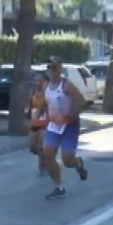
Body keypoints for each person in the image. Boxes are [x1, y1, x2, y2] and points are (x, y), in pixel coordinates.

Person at [39, 56, 89, 199]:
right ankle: (58, 187)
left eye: (54, 67)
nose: (51, 70)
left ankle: (77, 163)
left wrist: (69, 116)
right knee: (48, 155)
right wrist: (40, 120)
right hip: (54, 126)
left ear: (60, 69)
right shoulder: (46, 86)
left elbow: (81, 101)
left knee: (67, 160)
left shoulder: (66, 85)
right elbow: (44, 105)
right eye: (48, 67)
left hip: (69, 125)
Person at [29, 71, 48, 174]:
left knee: (41, 145)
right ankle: (43, 163)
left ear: (45, 81)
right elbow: (31, 105)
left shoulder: (48, 91)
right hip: (35, 119)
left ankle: (43, 165)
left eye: (40, 80)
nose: (37, 82)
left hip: (45, 120)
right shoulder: (34, 91)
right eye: (36, 80)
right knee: (34, 143)